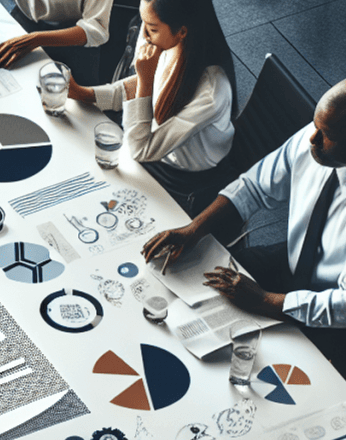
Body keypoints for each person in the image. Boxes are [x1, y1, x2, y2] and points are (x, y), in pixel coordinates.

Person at [142, 78, 346, 374]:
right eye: (316, 126)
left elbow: (342, 305)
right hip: (295, 262)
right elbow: (253, 187)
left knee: (276, 368)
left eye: (326, 134)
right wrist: (194, 228)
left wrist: (266, 301)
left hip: (333, 310)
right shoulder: (313, 140)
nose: (312, 138)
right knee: (201, 287)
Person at [69, 0, 238, 214]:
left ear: (182, 31)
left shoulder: (211, 92)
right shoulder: (169, 43)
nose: (144, 36)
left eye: (152, 28)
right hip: (153, 148)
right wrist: (83, 94)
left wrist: (146, 80)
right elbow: (139, 86)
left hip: (184, 179)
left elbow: (139, 149)